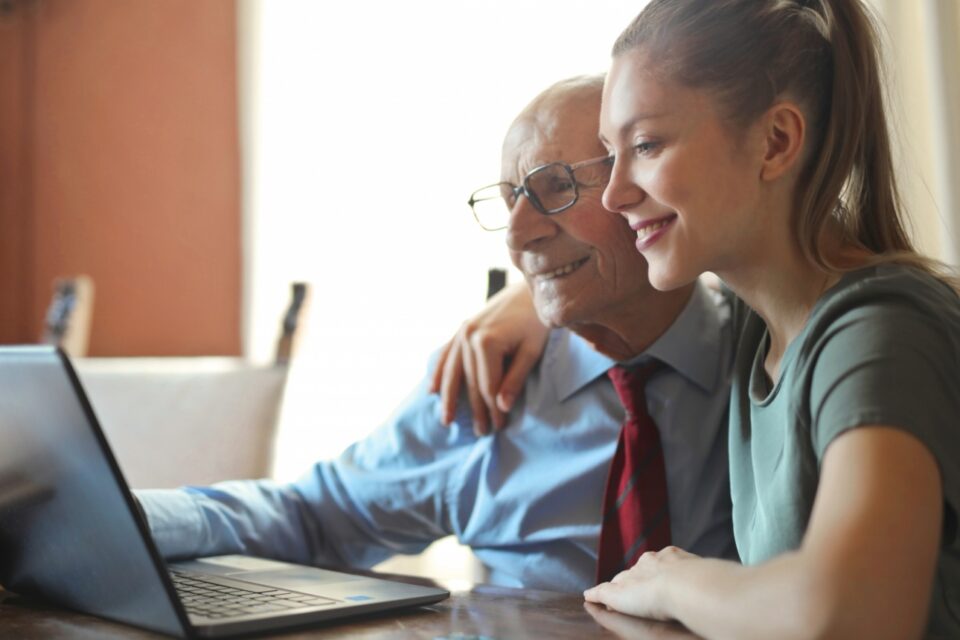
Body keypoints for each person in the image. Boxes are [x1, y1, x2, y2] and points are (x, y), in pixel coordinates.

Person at [438, 1, 960, 637]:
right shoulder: (762, 326)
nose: (613, 192)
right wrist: (538, 295)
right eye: (610, 152)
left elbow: (850, 614)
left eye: (646, 145)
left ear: (775, 142)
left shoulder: (878, 334)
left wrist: (673, 581)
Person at [136, 75, 737, 594]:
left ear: (644, 179)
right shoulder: (485, 382)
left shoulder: (769, 354)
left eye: (555, 186)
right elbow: (314, 517)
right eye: (510, 201)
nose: (518, 234)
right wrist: (130, 517)